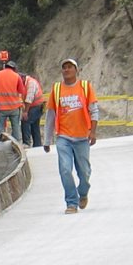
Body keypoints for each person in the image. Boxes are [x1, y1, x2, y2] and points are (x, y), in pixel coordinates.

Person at [43, 58, 100, 215]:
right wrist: (47, 140)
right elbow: (50, 116)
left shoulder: (85, 87)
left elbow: (94, 110)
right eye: (64, 68)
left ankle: (83, 192)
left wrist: (93, 131)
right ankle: (71, 203)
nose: (67, 70)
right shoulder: (57, 90)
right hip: (64, 137)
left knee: (85, 172)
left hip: (82, 137)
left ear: (77, 70)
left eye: (70, 67)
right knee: (65, 169)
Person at [0, 60, 27, 142]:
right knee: (16, 127)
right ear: (14, 68)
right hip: (14, 107)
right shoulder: (17, 76)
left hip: (1, 107)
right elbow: (21, 90)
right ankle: (16, 142)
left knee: (0, 127)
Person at [20, 70, 45, 147]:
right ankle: (37, 145)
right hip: (34, 106)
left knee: (25, 121)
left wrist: (25, 112)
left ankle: (26, 143)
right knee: (35, 126)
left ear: (23, 78)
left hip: (37, 106)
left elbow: (29, 98)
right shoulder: (24, 83)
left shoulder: (31, 83)